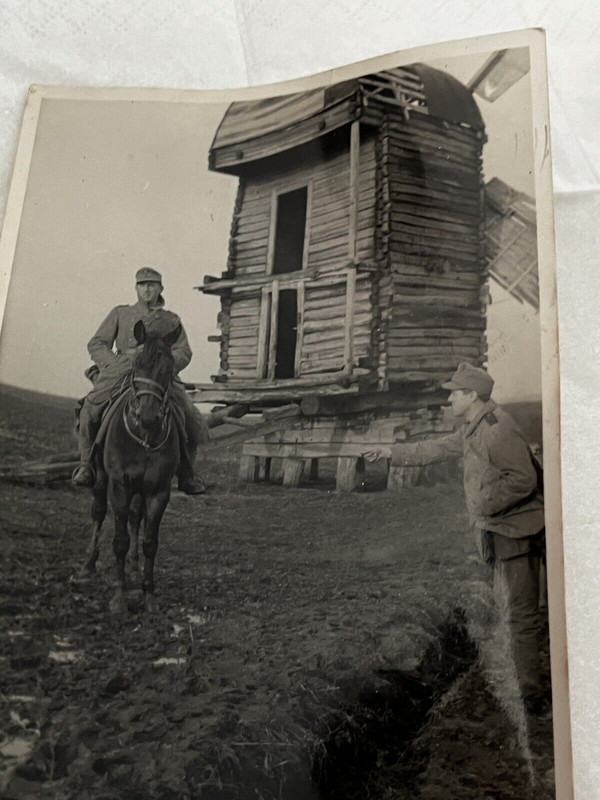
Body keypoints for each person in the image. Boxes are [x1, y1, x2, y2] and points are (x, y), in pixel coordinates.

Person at [364, 362, 547, 712]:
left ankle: (531, 696)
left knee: (519, 616)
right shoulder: (474, 427)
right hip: (500, 532)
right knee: (511, 613)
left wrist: (482, 503)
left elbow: (522, 478)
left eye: (454, 392)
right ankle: (525, 686)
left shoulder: (496, 429)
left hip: (516, 535)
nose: (448, 399)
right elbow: (436, 448)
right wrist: (391, 453)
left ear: (473, 396)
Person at [72, 267, 207, 494]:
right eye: (142, 284)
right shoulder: (120, 314)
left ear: (160, 289)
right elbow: (97, 343)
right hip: (121, 372)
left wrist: (165, 365)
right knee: (89, 409)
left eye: (152, 285)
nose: (147, 289)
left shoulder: (171, 320)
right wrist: (115, 363)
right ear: (136, 288)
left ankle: (187, 474)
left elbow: (184, 351)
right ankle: (87, 466)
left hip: (157, 377)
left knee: (191, 417)